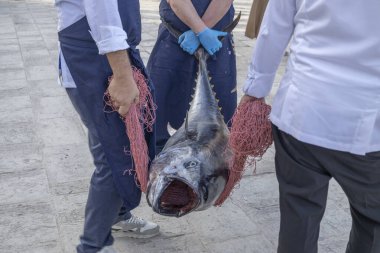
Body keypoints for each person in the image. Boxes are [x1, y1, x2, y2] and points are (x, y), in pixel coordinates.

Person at [241, 0, 380, 252]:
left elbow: (274, 28)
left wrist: (255, 89)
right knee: (373, 221)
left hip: (303, 109)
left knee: (298, 219)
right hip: (366, 121)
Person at [54, 1, 159, 252]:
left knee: (108, 145)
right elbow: (102, 12)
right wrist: (123, 76)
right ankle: (93, 246)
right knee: (115, 158)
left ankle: (118, 215)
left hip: (102, 53)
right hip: (94, 59)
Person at [147, 0, 237, 153]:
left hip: (215, 41)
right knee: (157, 124)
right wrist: (202, 31)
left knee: (219, 135)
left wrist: (200, 31)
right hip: (175, 39)